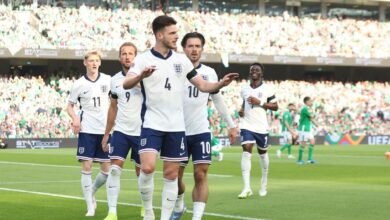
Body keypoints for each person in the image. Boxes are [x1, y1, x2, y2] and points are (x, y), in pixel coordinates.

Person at [123, 15, 238, 220]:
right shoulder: (143, 59)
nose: (177, 37)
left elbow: (203, 85)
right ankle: (148, 211)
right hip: (152, 123)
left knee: (171, 175)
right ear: (160, 35)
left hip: (176, 127)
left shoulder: (181, 60)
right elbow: (126, 83)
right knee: (147, 167)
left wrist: (220, 84)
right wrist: (141, 76)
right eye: (173, 33)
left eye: (177, 32)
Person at [170, 32, 239, 220]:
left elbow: (218, 100)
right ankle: (178, 204)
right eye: (190, 46)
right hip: (177, 131)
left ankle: (197, 217)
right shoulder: (175, 69)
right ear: (183, 48)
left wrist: (231, 125)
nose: (194, 49)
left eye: (197, 46)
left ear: (202, 49)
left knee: (201, 174)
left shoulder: (209, 72)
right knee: (174, 177)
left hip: (200, 131)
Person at [102, 42, 144, 220]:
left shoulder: (145, 78)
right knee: (114, 170)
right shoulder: (114, 80)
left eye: (130, 53)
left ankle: (145, 206)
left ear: (136, 56)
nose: (127, 56)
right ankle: (112, 212)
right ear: (120, 57)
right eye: (124, 54)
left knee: (142, 173)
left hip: (142, 131)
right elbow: (113, 107)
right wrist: (106, 134)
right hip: (120, 132)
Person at [66, 50, 111, 216]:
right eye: (90, 60)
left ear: (100, 63)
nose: (93, 63)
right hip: (87, 130)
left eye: (96, 60)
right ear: (85, 63)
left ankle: (91, 191)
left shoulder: (108, 80)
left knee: (106, 171)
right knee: (87, 166)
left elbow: (116, 101)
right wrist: (75, 118)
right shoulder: (78, 84)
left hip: (105, 130)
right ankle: (90, 206)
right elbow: (69, 106)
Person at [237, 63, 278, 199]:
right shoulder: (244, 89)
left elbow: (275, 107)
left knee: (262, 154)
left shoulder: (268, 89)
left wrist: (259, 102)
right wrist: (242, 111)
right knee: (246, 150)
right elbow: (244, 103)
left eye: (257, 70)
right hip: (246, 125)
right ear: (249, 73)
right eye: (252, 70)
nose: (254, 71)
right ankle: (246, 187)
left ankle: (264, 182)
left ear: (261, 73)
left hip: (261, 127)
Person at [297, 96, 319, 164]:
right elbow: (311, 117)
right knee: (303, 144)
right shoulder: (305, 109)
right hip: (304, 128)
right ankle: (299, 160)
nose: (311, 102)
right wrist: (316, 124)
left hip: (308, 128)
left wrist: (315, 123)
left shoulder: (309, 109)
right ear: (306, 102)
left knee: (312, 142)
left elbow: (311, 117)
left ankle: (309, 159)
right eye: (310, 101)